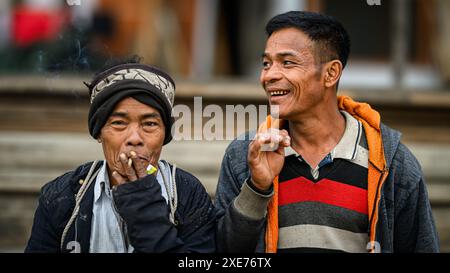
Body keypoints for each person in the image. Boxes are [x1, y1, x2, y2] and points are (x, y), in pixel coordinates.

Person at [215, 11, 439, 253]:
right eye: (266, 63)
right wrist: (257, 188)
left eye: (287, 62)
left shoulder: (391, 163)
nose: (269, 75)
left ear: (331, 73)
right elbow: (222, 251)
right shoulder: (245, 156)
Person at [25, 56, 216, 253]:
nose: (134, 138)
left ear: (164, 135)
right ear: (99, 133)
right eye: (118, 123)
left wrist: (144, 204)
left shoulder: (187, 194)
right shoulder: (62, 196)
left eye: (149, 124)